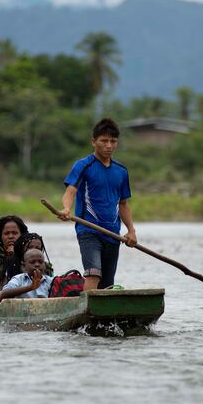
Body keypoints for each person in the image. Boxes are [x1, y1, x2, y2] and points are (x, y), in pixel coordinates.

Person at [58, 118, 137, 291]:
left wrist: (131, 230)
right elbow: (70, 191)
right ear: (94, 142)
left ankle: (100, 309)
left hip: (113, 234)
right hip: (89, 230)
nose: (109, 146)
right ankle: (87, 307)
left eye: (113, 141)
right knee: (93, 273)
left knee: (107, 284)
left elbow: (123, 204)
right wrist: (66, 209)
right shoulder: (83, 166)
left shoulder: (121, 171)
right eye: (104, 141)